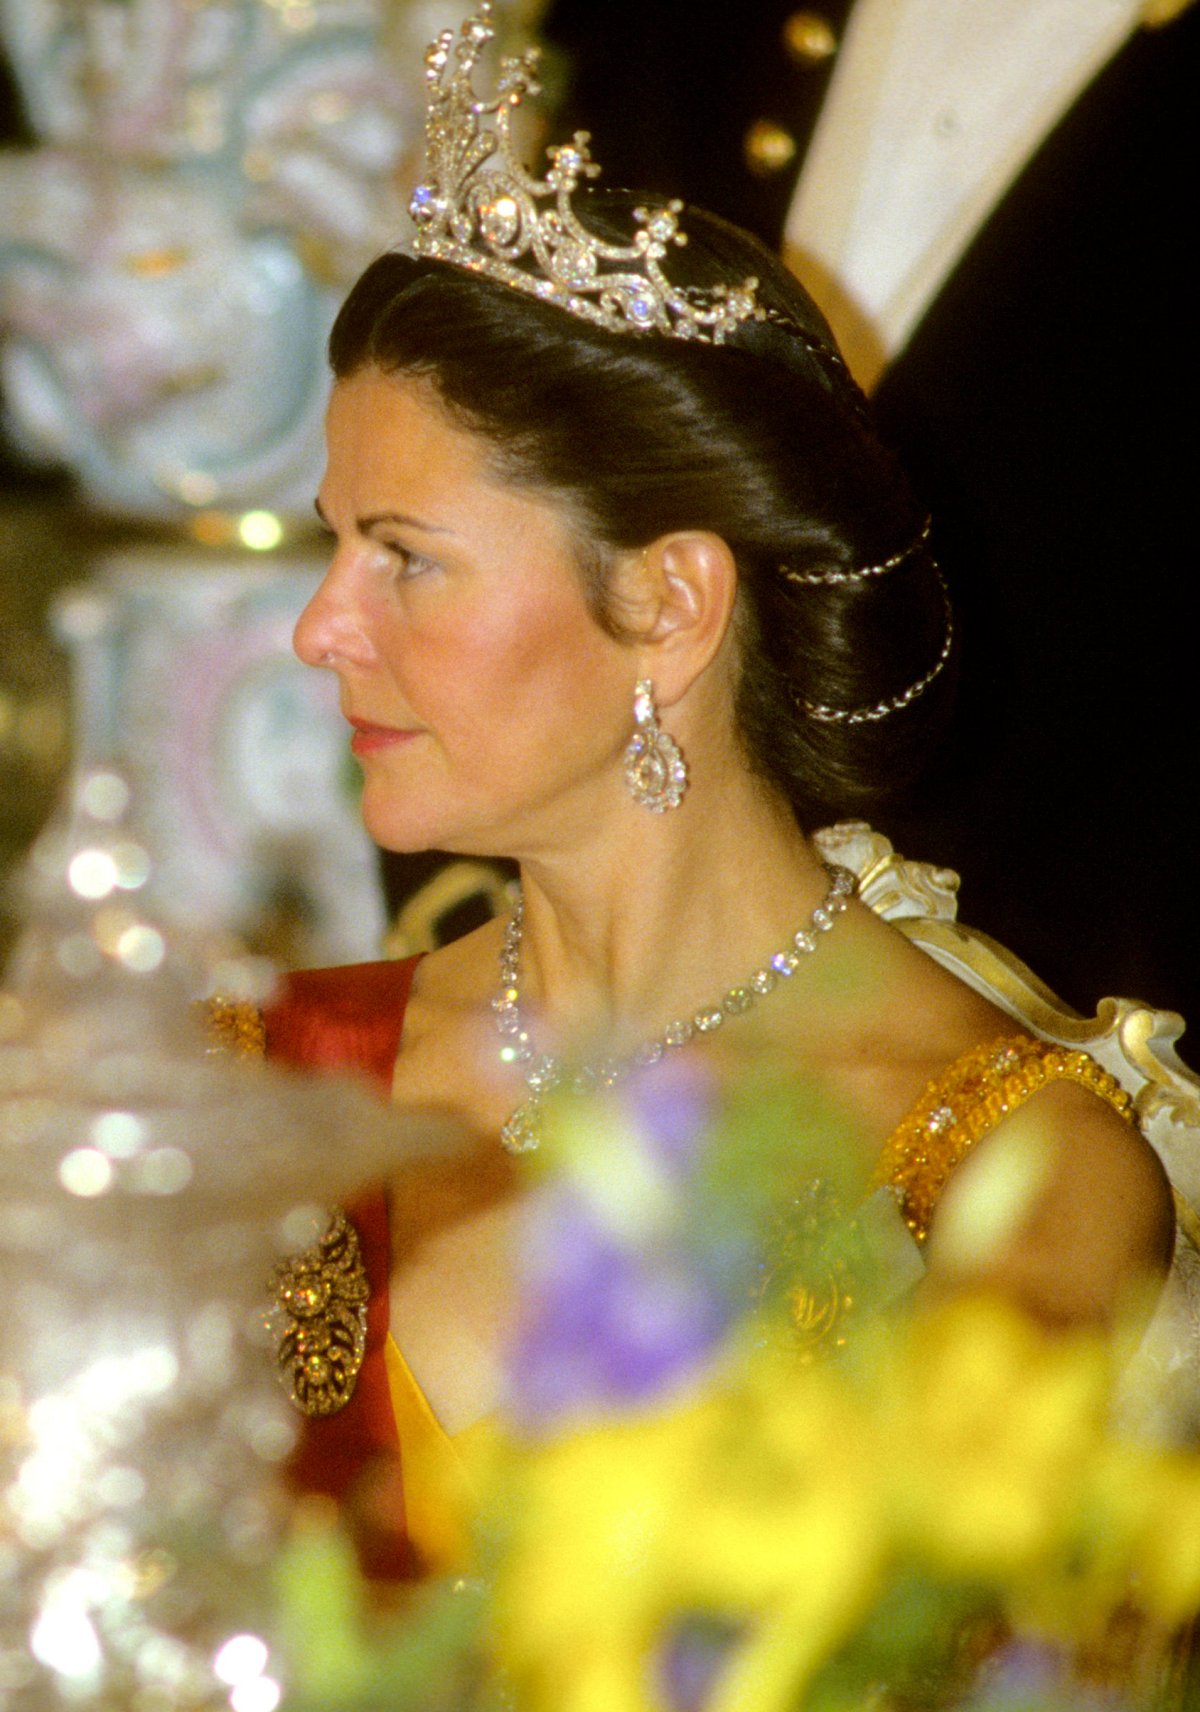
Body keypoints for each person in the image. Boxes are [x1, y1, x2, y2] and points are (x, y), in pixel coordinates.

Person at [235, 7, 1173, 1583]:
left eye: (407, 558)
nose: (321, 629)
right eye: (333, 546)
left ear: (669, 607)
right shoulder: (269, 1081)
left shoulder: (1008, 1177)